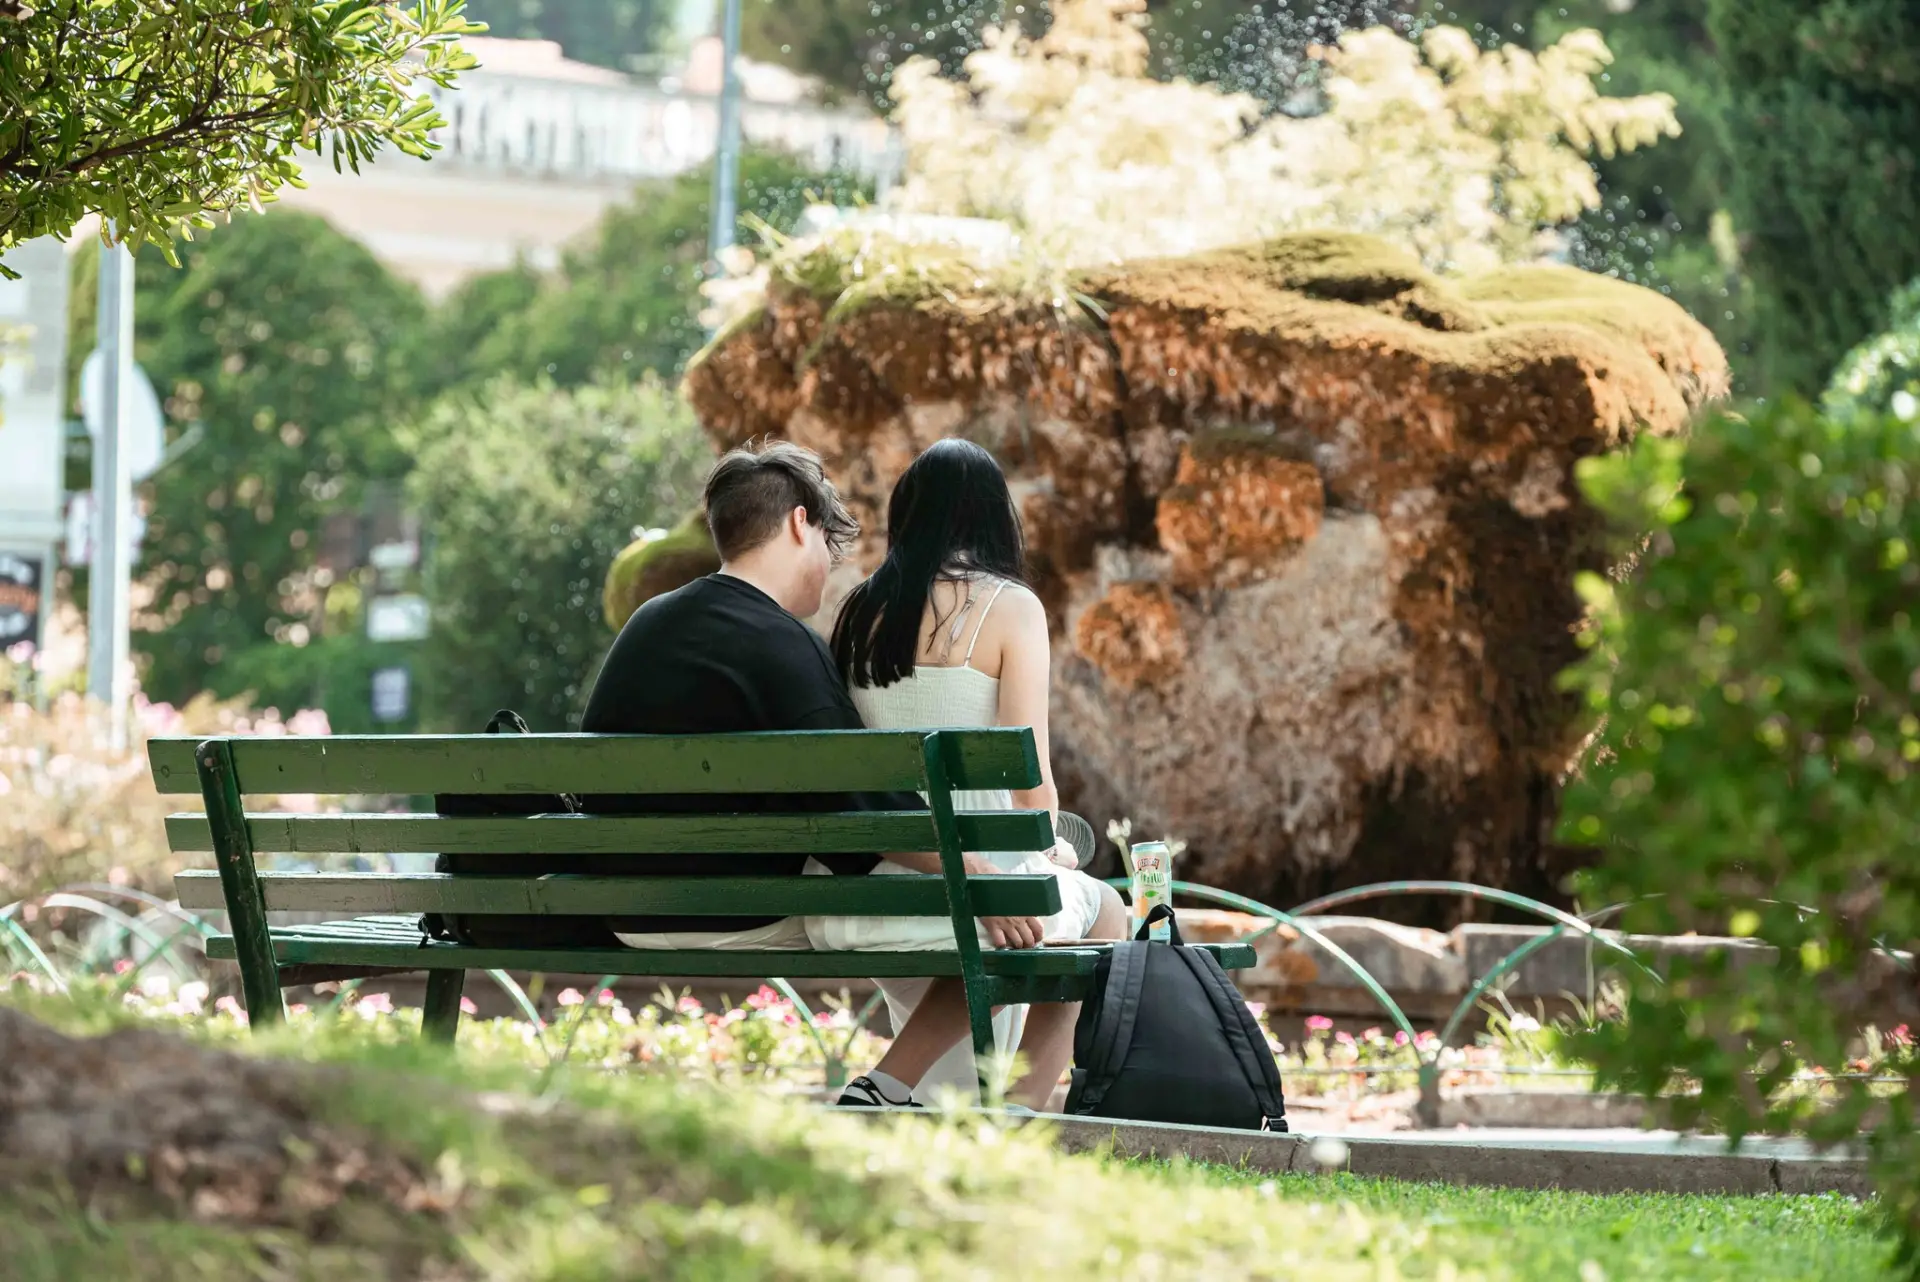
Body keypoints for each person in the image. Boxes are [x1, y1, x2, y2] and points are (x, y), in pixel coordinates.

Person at [820, 438, 1128, 1111]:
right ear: (995, 517)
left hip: (863, 893)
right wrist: (1051, 843)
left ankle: (910, 1091)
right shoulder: (1011, 607)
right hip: (971, 888)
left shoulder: (860, 611)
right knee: (1105, 910)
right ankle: (1015, 1109)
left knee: (957, 1076)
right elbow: (1029, 775)